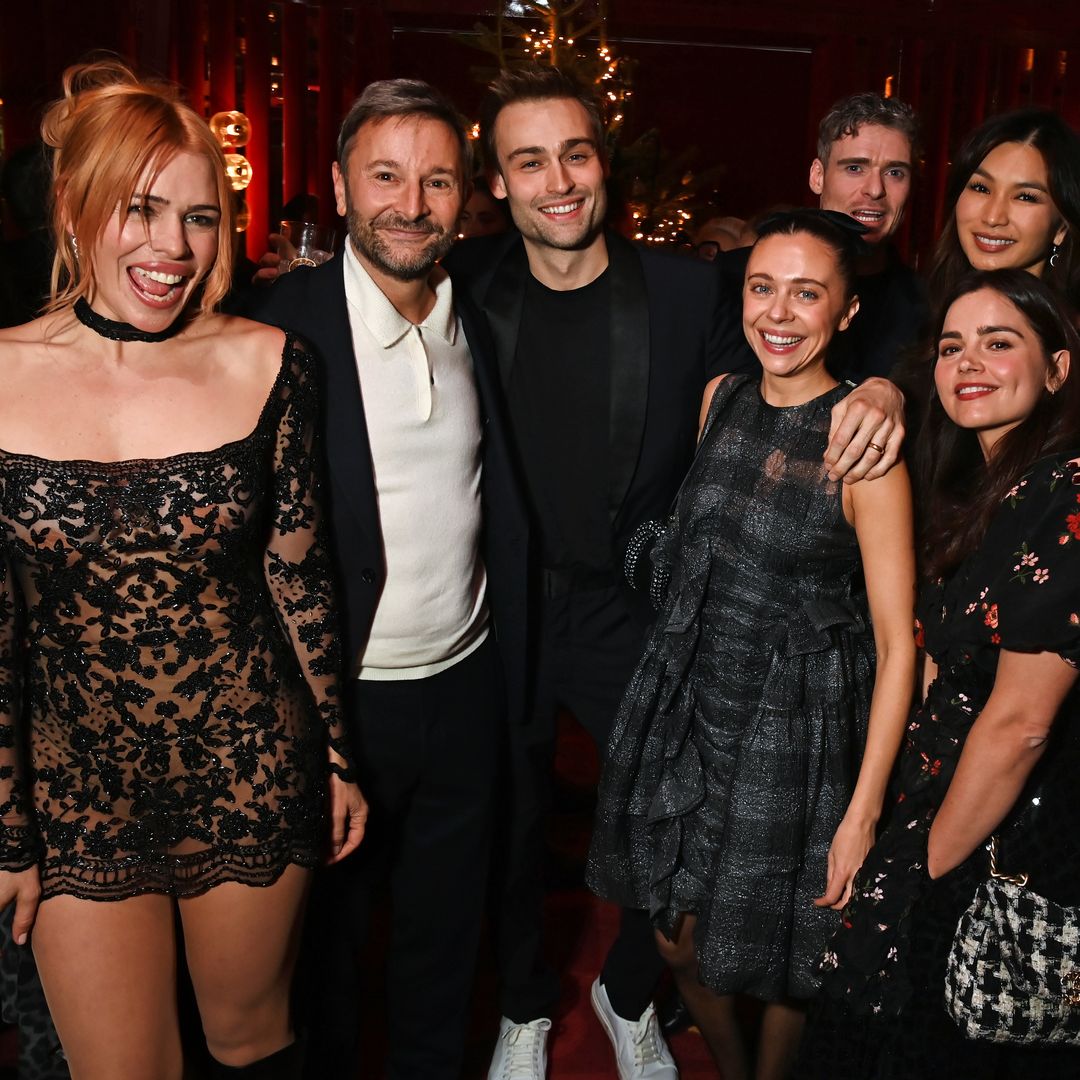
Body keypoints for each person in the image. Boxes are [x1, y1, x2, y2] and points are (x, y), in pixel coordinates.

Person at [445, 66, 908, 1080]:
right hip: (506, 608)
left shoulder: (690, 285)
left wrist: (886, 386)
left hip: (638, 610)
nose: (558, 179)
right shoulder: (461, 281)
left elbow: (800, 349)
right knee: (511, 823)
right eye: (530, 160)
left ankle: (626, 995)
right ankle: (526, 1007)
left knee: (668, 828)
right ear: (499, 180)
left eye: (575, 152)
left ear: (603, 160)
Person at [0, 60, 366, 1079]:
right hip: (73, 783)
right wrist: (6, 826)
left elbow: (299, 579)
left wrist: (335, 754)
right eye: (141, 209)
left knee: (251, 1044)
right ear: (72, 206)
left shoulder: (268, 361)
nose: (172, 248)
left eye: (200, 218)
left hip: (250, 760)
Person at [243, 78, 529, 1080]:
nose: (412, 203)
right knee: (323, 956)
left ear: (467, 195)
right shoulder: (277, 334)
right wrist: (304, 734)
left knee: (444, 941)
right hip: (336, 703)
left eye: (437, 180)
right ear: (338, 184)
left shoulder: (481, 313)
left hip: (463, 686)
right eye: (386, 177)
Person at [587, 210, 916, 1080]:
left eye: (808, 293)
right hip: (693, 707)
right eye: (762, 287)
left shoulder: (865, 447)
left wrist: (864, 810)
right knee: (680, 940)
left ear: (847, 312)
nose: (779, 312)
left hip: (795, 731)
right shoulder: (720, 399)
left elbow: (896, 642)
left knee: (780, 957)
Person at [799, 268, 1080, 1079]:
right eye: (953, 345)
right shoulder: (991, 490)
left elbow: (1022, 722)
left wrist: (925, 870)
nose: (969, 362)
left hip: (999, 837)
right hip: (940, 807)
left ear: (1059, 368)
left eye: (1001, 343)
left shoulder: (1067, 493)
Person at [715, 92, 927, 381]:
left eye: (894, 172)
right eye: (854, 168)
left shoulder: (928, 308)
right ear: (818, 176)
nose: (875, 189)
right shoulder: (726, 282)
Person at [927, 108, 1080, 309]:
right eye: (980, 188)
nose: (993, 217)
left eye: (1025, 197)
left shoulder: (1067, 336)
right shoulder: (923, 314)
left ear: (1061, 228)